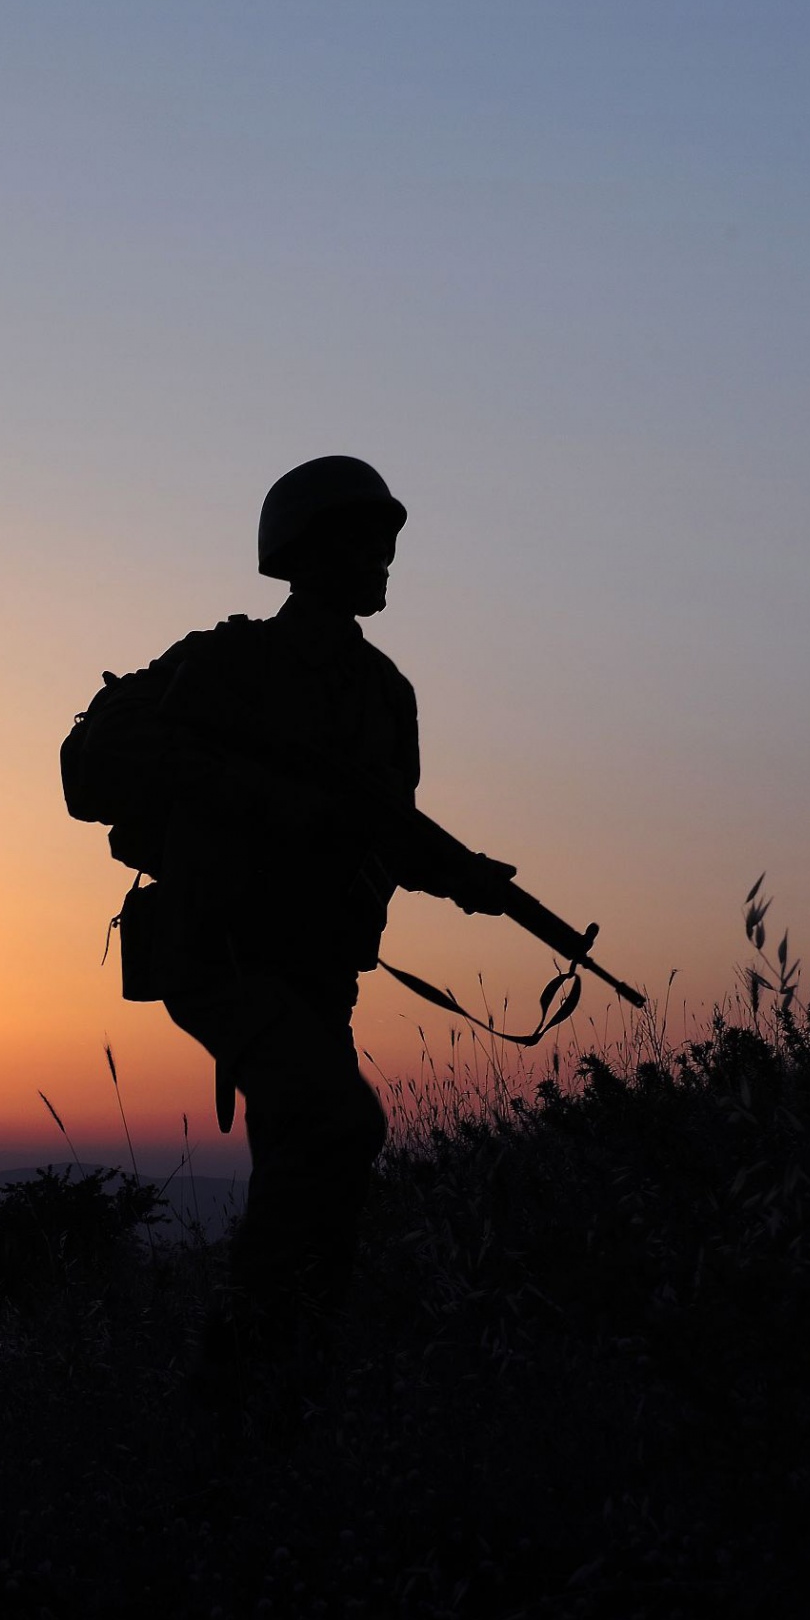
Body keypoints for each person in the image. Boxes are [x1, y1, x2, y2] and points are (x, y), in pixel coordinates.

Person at [62, 456, 519, 1389]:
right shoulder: (227, 663)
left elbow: (384, 831)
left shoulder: (386, 694)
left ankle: (298, 1358)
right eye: (363, 541)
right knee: (336, 1121)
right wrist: (268, 801)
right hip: (219, 953)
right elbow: (89, 768)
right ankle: (249, 1353)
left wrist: (462, 877)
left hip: (318, 967)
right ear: (307, 552)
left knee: (309, 1154)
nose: (383, 560)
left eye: (388, 542)